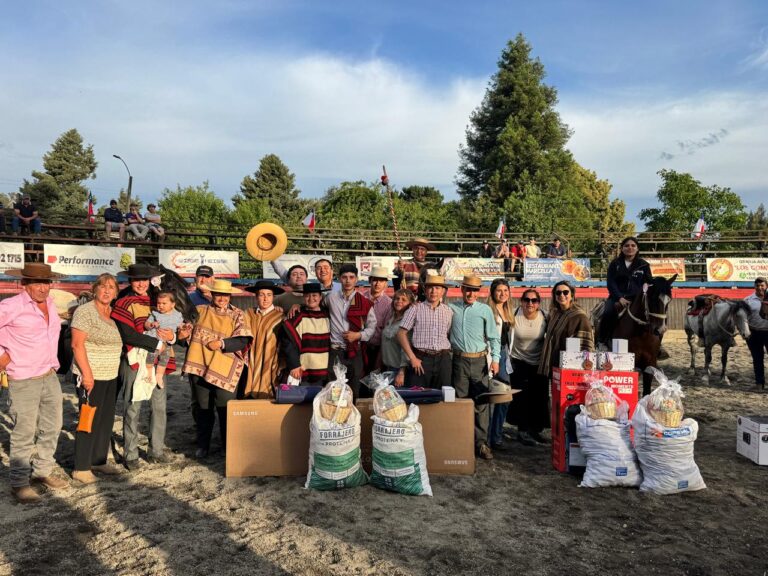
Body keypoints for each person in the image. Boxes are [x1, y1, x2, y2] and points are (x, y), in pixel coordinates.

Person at [0, 262, 69, 503]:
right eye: (37, 282)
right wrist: (3, 357)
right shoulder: (10, 306)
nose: (43, 287)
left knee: (52, 425)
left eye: (46, 282)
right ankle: (19, 483)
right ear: (24, 283)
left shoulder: (50, 303)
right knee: (24, 431)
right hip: (23, 377)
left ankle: (41, 472)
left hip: (49, 375)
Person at [112, 263, 180, 471]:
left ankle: (156, 451)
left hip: (159, 357)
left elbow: (173, 327)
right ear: (130, 282)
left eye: (143, 279)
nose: (140, 283)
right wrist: (157, 343)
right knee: (133, 406)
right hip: (134, 357)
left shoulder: (158, 301)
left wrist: (173, 336)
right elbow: (127, 334)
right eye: (136, 280)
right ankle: (131, 453)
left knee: (159, 407)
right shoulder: (123, 303)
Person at [182, 279, 252, 459]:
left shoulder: (238, 314)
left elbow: (243, 340)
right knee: (203, 408)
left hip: (225, 367)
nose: (222, 298)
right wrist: (181, 336)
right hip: (200, 365)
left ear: (230, 296)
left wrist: (221, 343)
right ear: (212, 295)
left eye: (225, 295)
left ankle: (227, 446)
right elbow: (185, 336)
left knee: (225, 409)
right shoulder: (199, 311)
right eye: (218, 294)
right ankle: (203, 444)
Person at [70, 273, 124, 484]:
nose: (107, 291)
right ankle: (81, 467)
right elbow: (77, 344)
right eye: (103, 287)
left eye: (111, 287)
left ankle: (99, 460)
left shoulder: (112, 312)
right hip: (91, 375)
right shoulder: (85, 312)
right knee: (88, 418)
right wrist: (87, 374)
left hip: (111, 375)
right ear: (95, 289)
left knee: (105, 419)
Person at [448, 275, 500, 460]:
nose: (471, 293)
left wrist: (495, 359)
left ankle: (481, 443)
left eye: (475, 290)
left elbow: (494, 337)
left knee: (481, 404)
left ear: (479, 292)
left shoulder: (485, 310)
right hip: (459, 361)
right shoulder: (451, 308)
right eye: (468, 289)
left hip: (479, 361)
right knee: (460, 402)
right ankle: (461, 441)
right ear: (462, 289)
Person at [326, 263, 377, 399]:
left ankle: (353, 419)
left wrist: (358, 335)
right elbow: (314, 305)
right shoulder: (330, 298)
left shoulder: (364, 302)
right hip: (335, 350)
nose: (348, 281)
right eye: (344, 277)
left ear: (356, 279)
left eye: (351, 277)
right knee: (333, 390)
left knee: (354, 389)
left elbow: (372, 327)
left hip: (355, 351)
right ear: (339, 278)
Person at [507, 288, 549, 446]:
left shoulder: (545, 316)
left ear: (538, 303)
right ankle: (522, 430)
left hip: (538, 362)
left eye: (534, 301)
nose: (530, 303)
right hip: (518, 361)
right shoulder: (513, 314)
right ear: (521, 301)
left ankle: (535, 430)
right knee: (521, 397)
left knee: (539, 397)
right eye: (527, 300)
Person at [397, 275, 453, 389]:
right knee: (418, 396)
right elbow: (401, 333)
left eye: (437, 288)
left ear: (443, 291)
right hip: (421, 359)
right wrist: (412, 358)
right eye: (430, 288)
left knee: (443, 396)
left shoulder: (448, 311)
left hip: (443, 359)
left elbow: (447, 333)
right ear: (425, 290)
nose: (433, 291)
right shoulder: (415, 308)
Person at [597, 236, 653, 347]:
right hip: (617, 298)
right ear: (622, 248)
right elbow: (611, 283)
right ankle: (602, 341)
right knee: (607, 312)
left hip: (637, 299)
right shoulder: (615, 264)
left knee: (653, 315)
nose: (630, 248)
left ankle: (657, 344)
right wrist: (619, 298)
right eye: (626, 245)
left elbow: (649, 282)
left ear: (637, 248)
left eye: (633, 245)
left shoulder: (644, 265)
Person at [538, 281, 594, 379]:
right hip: (552, 365)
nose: (562, 295)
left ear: (572, 295)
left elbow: (586, 346)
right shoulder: (555, 314)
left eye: (565, 292)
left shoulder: (579, 316)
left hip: (569, 369)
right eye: (558, 293)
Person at [280, 283, 331, 385]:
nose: (311, 298)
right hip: (303, 372)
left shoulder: (329, 315)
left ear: (320, 297)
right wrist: (294, 365)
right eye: (307, 295)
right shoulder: (297, 316)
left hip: (326, 372)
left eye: (314, 295)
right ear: (303, 297)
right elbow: (287, 342)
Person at [242, 280, 285, 398]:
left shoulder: (281, 316)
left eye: (269, 295)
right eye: (261, 295)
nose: (265, 298)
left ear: (273, 297)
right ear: (256, 297)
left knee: (268, 393)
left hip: (271, 359)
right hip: (251, 359)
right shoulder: (248, 313)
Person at [486, 278, 515, 449]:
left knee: (504, 398)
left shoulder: (508, 311)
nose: (503, 294)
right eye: (499, 290)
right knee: (494, 398)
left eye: (506, 290)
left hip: (505, 356)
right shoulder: (488, 310)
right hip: (492, 356)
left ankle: (495, 435)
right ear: (492, 292)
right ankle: (490, 437)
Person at [143, 291, 184, 388]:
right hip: (154, 340)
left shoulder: (177, 315)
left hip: (167, 343)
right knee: (151, 356)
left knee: (164, 359)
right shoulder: (155, 314)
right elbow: (146, 324)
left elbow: (180, 326)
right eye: (158, 303)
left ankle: (159, 375)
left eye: (164, 303)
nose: (160, 306)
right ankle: (148, 372)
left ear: (173, 305)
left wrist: (184, 327)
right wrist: (151, 325)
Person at [379, 289, 416, 387]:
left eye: (404, 300)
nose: (399, 301)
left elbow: (406, 349)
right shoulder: (391, 318)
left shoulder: (407, 323)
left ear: (410, 304)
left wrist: (401, 372)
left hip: (398, 370)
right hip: (387, 368)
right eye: (397, 298)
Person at [362, 266, 393, 378]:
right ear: (370, 280)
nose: (377, 283)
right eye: (375, 280)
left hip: (378, 348)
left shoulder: (389, 303)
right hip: (360, 347)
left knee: (376, 380)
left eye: (381, 280)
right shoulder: (360, 298)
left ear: (386, 283)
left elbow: (385, 331)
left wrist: (380, 356)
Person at [744, 277, 768, 388]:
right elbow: (743, 318)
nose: (760, 288)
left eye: (762, 285)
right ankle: (759, 383)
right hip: (754, 333)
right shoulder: (748, 300)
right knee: (757, 359)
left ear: (766, 286)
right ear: (754, 287)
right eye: (757, 286)